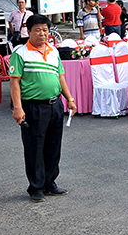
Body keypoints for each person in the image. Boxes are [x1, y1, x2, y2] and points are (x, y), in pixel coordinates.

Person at [9, 15, 77, 202]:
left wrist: (69, 99)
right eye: (37, 30)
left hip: (55, 105)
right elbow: (14, 82)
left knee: (54, 146)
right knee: (34, 147)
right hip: (33, 107)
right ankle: (36, 187)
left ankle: (50, 183)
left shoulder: (53, 51)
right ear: (29, 32)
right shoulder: (20, 53)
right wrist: (17, 108)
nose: (42, 34)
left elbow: (60, 77)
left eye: (45, 30)